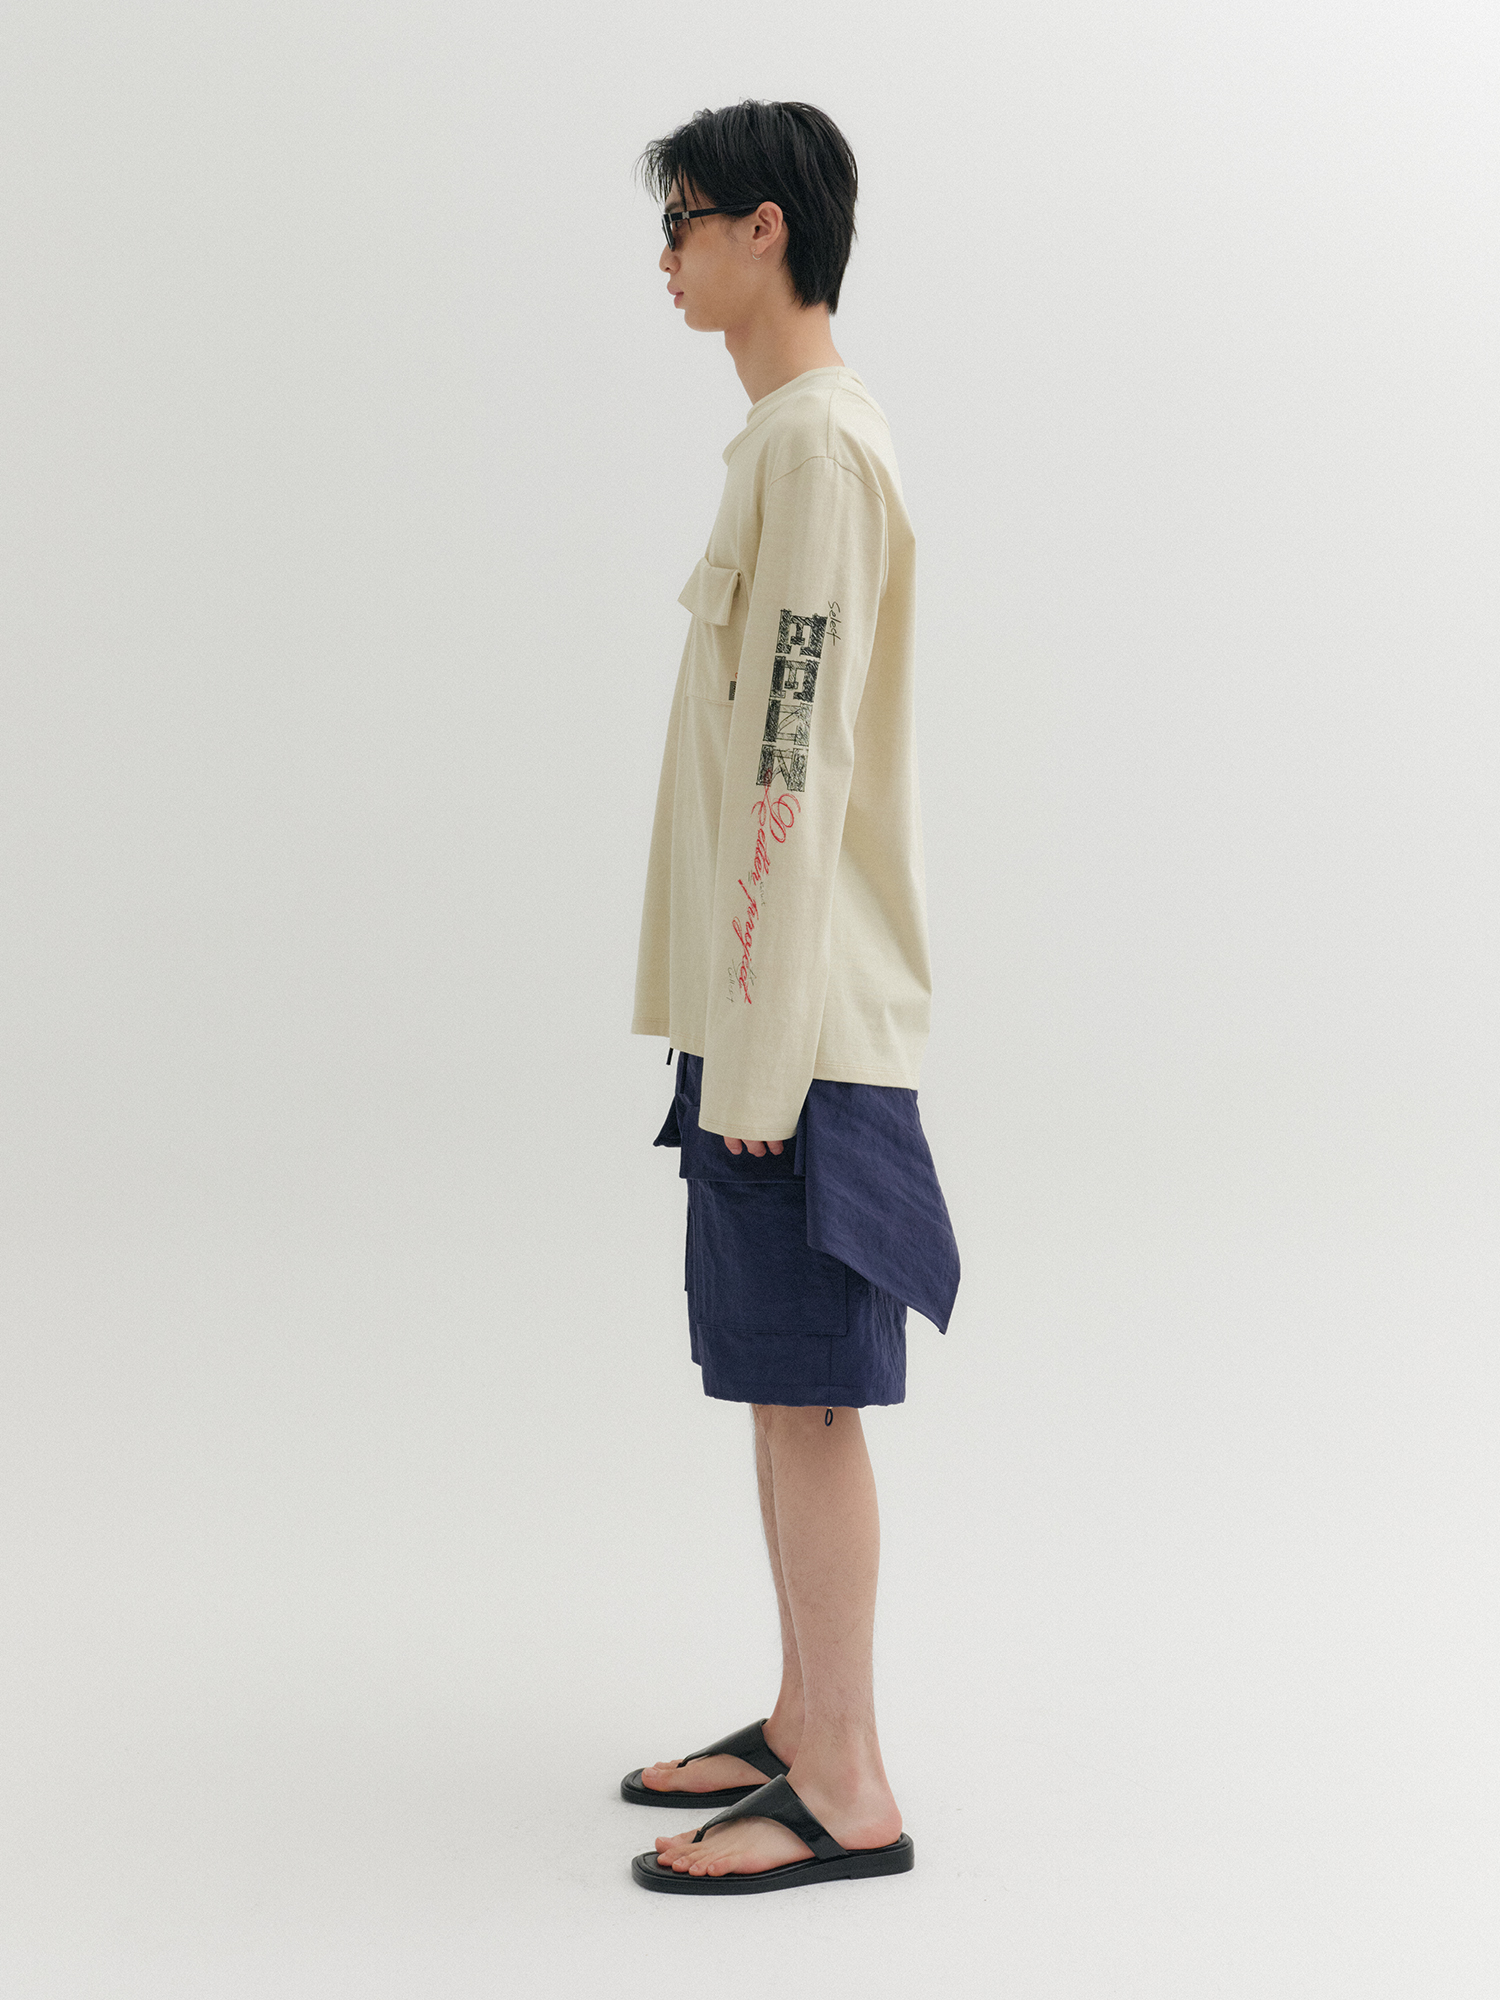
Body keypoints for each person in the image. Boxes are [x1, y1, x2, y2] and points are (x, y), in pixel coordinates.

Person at [623, 99, 960, 1897]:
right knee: (778, 1383)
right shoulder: (785, 440)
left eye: (683, 223)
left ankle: (848, 1784)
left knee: (815, 1395)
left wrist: (755, 1058)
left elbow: (792, 765)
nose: (666, 260)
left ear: (767, 230)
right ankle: (800, 1714)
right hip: (766, 1014)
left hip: (801, 1033)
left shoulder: (817, 451)